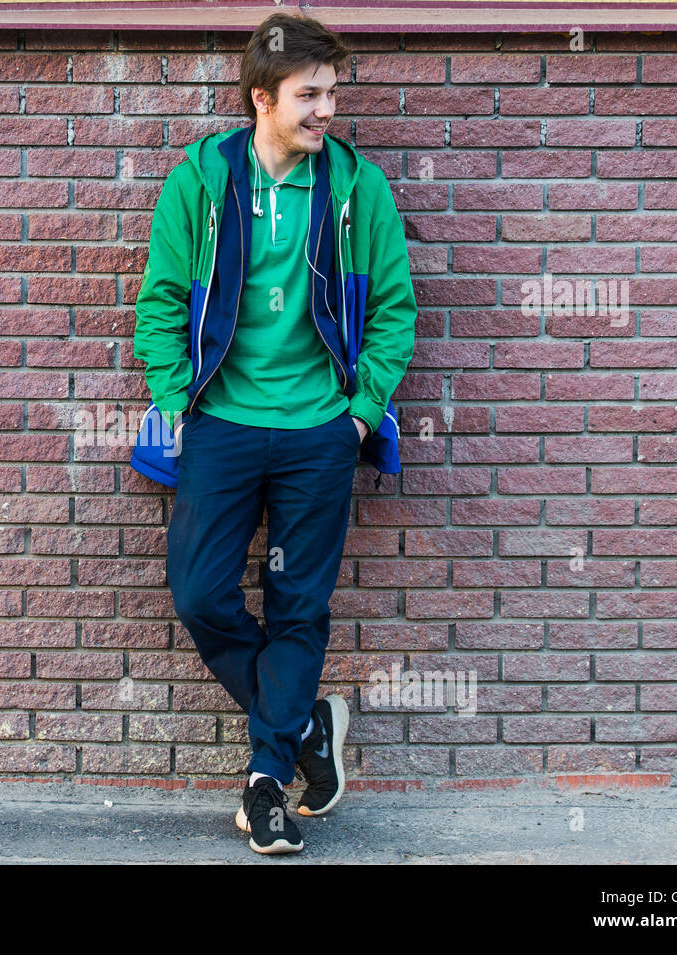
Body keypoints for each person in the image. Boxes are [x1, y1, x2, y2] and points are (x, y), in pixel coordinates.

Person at [131, 10, 417, 854]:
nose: (328, 109)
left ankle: (266, 783)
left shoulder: (358, 191)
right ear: (262, 97)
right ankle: (302, 728)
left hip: (319, 431)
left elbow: (395, 310)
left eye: (334, 92)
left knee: (299, 605)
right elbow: (161, 302)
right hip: (220, 421)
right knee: (201, 593)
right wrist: (176, 398)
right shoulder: (203, 181)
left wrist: (358, 413)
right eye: (310, 94)